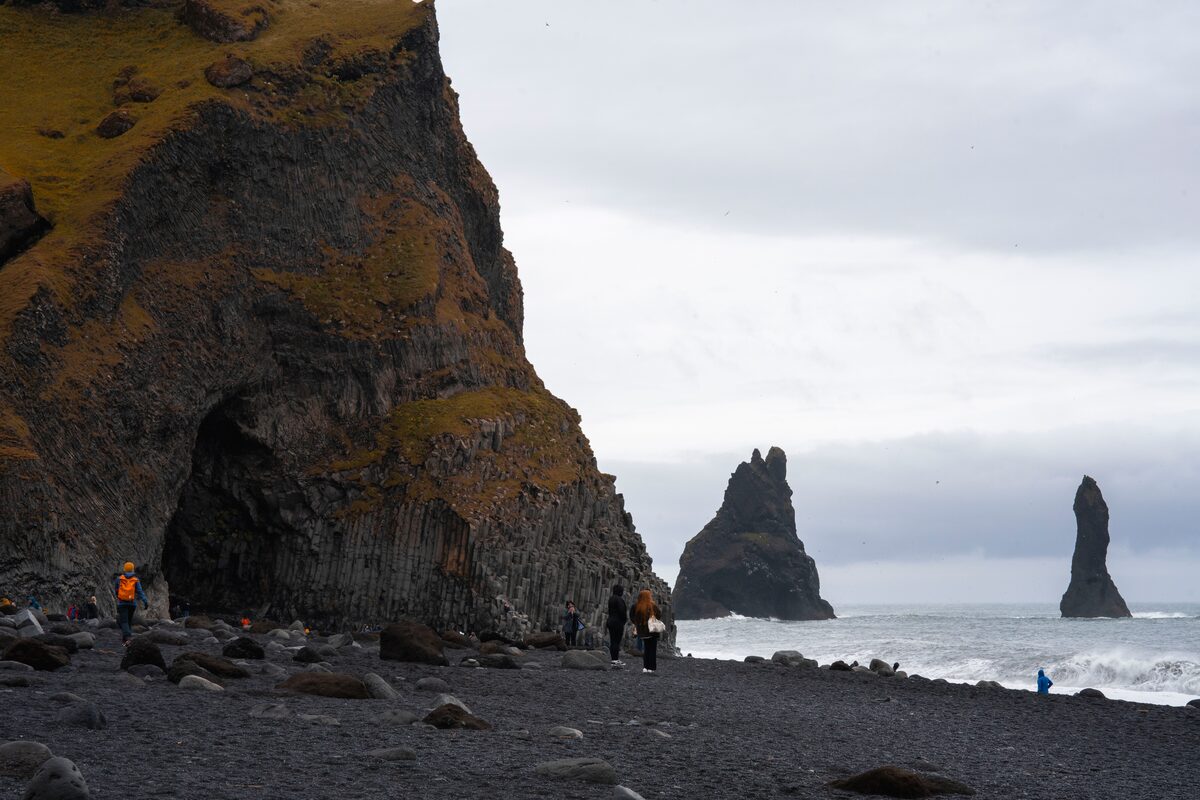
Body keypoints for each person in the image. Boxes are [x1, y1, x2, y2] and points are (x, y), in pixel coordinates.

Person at [628, 589, 663, 673]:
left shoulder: (635, 606)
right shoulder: (652, 605)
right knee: (652, 649)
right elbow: (659, 615)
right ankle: (651, 668)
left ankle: (645, 667)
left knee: (646, 649)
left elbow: (631, 616)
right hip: (652, 631)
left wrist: (638, 624)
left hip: (643, 632)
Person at [113, 562, 149, 644]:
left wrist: (119, 596)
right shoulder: (135, 580)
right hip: (132, 604)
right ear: (132, 569)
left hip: (122, 603)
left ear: (124, 569)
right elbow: (140, 592)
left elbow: (116, 591)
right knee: (128, 621)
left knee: (124, 622)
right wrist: (145, 602)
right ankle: (125, 640)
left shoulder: (119, 579)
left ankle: (128, 637)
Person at [606, 584, 628, 666]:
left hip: (610, 621)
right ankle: (615, 660)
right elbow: (622, 612)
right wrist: (624, 620)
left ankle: (614, 659)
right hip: (617, 622)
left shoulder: (611, 599)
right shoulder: (619, 600)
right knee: (616, 642)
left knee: (613, 641)